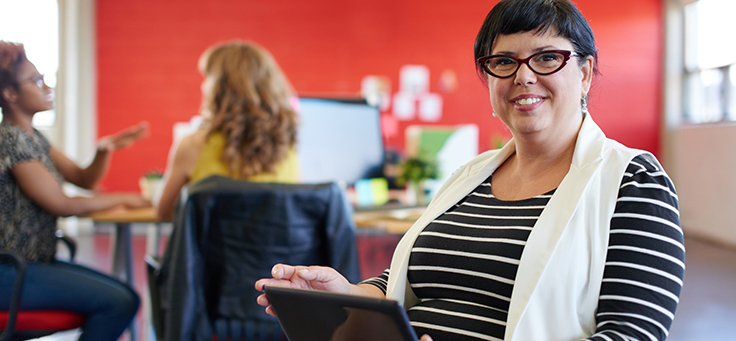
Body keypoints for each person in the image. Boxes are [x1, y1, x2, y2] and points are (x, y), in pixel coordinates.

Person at [255, 0, 685, 340]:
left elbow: (632, 334)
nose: (524, 76)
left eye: (547, 58)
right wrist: (346, 295)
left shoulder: (632, 182)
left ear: (586, 72)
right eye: (504, 61)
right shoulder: (470, 175)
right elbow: (404, 280)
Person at [0, 41, 150, 340]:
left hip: (32, 264)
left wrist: (103, 150)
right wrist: (126, 199)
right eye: (36, 81)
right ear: (10, 94)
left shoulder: (34, 137)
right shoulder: (11, 140)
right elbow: (62, 204)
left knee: (126, 296)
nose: (46, 86)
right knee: (119, 302)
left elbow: (84, 179)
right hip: (9, 272)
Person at [155, 40, 299, 220]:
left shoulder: (192, 145)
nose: (203, 85)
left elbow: (165, 213)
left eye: (207, 77)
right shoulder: (286, 146)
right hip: (275, 248)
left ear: (217, 89)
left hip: (211, 248)